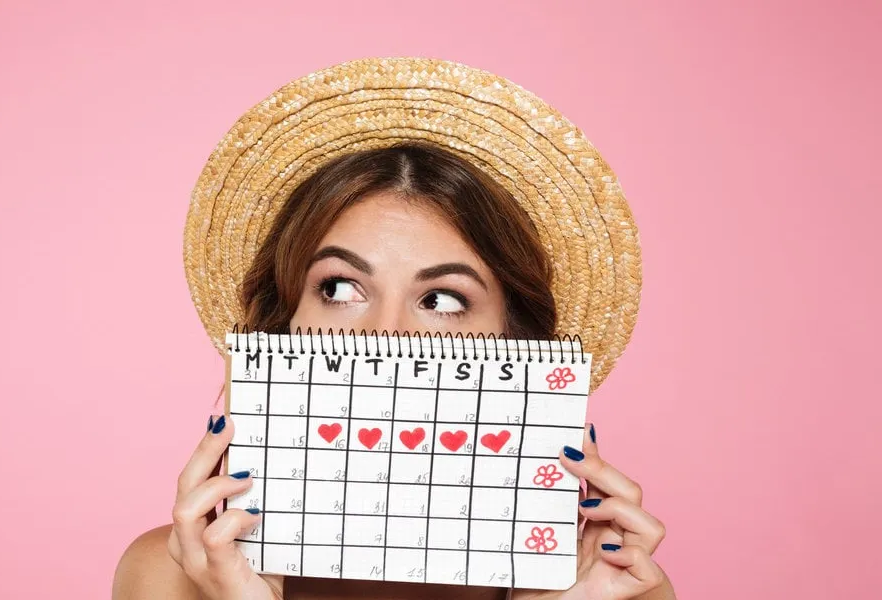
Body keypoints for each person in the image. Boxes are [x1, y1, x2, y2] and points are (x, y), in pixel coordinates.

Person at [113, 57, 675, 600]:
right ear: (283, 324)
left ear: (516, 342)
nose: (386, 336)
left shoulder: (618, 588)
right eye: (339, 289)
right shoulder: (165, 577)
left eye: (442, 299)